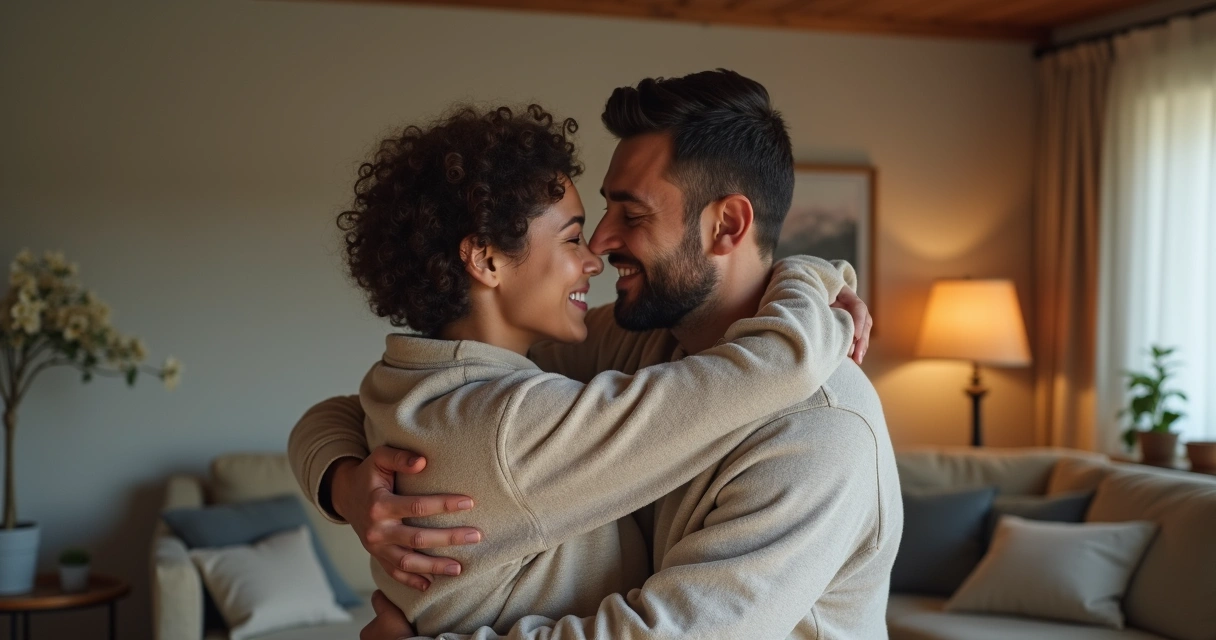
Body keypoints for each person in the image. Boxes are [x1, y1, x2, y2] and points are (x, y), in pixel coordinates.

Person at [294, 70, 900, 640]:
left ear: (726, 226)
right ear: (484, 258)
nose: (602, 244)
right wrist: (344, 482)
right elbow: (367, 411)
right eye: (592, 220)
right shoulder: (637, 345)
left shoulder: (820, 427)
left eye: (629, 214)